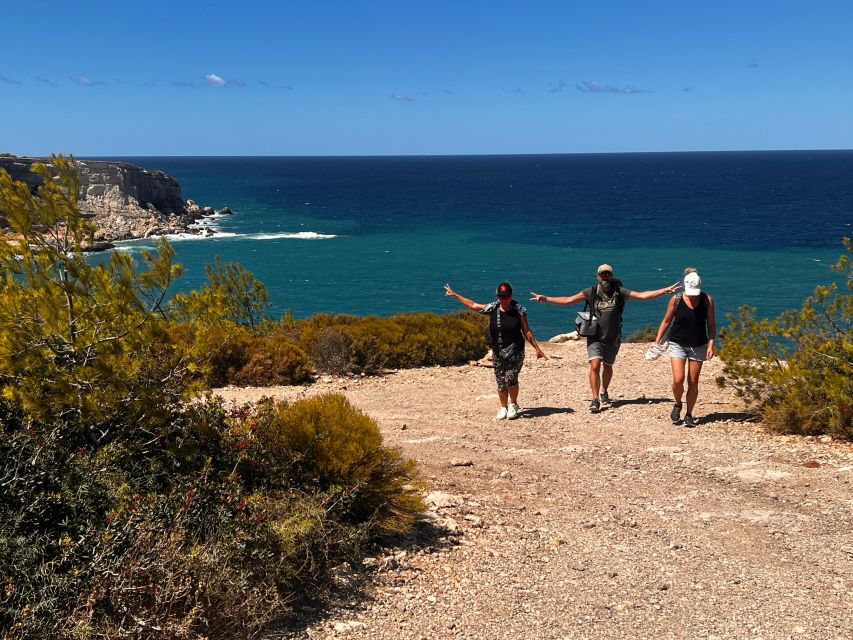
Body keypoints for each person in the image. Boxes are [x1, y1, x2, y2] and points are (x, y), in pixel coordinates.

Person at [530, 264, 680, 413]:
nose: (605, 277)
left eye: (608, 274)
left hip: (613, 337)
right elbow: (568, 300)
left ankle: (604, 391)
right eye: (602, 274)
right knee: (595, 365)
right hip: (595, 337)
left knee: (608, 366)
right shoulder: (591, 292)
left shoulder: (619, 292)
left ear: (611, 276)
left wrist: (664, 291)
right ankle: (595, 399)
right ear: (598, 276)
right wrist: (546, 298)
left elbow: (641, 295)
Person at [444, 281, 547, 420]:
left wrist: (537, 349)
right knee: (500, 381)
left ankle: (513, 404)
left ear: (511, 296)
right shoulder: (493, 308)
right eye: (501, 296)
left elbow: (527, 331)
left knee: (511, 377)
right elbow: (473, 305)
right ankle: (503, 407)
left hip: (515, 351)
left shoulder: (519, 310)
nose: (503, 299)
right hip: (498, 351)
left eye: (506, 297)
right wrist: (455, 295)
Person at [654, 269, 716, 428]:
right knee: (678, 379)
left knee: (693, 382)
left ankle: (689, 414)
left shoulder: (707, 300)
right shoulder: (676, 299)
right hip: (677, 343)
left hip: (699, 345)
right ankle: (677, 404)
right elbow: (666, 321)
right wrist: (657, 341)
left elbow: (711, 324)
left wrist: (711, 344)